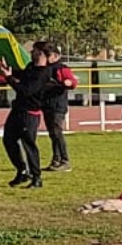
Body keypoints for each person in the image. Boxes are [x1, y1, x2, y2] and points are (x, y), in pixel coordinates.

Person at [0, 42, 51, 189]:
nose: (31, 52)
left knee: (29, 145)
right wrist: (6, 70)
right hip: (17, 111)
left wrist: (9, 78)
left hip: (29, 114)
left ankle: (36, 178)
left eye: (34, 50)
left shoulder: (43, 73)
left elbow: (25, 90)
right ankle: (22, 171)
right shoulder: (31, 67)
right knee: (8, 140)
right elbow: (22, 75)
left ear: (41, 53)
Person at [41, 43, 77, 171]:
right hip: (47, 105)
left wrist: (69, 82)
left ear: (56, 56)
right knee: (52, 134)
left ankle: (64, 160)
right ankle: (56, 160)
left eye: (48, 55)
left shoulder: (62, 68)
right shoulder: (44, 68)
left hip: (58, 106)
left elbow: (73, 82)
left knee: (57, 132)